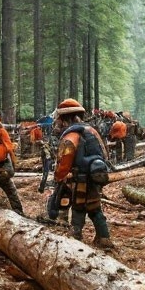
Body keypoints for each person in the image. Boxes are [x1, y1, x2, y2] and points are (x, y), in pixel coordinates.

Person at [48, 98, 115, 249]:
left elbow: (64, 161)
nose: (57, 122)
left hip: (79, 178)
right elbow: (105, 154)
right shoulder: (92, 131)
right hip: (96, 176)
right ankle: (104, 238)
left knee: (79, 206)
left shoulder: (71, 136)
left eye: (59, 118)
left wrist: (59, 176)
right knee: (94, 206)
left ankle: (76, 234)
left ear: (64, 118)